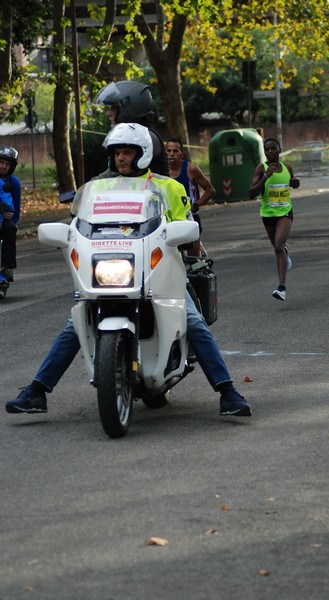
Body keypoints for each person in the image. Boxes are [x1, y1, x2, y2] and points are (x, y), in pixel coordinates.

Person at [5, 123, 251, 418]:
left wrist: (187, 238)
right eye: (117, 153)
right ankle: (37, 392)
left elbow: (187, 229)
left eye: (127, 152)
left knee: (193, 322)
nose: (121, 158)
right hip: (114, 268)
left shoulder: (167, 187)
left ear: (143, 154)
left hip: (161, 272)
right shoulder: (98, 187)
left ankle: (228, 392)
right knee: (75, 324)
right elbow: (79, 227)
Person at [249, 137, 300, 302]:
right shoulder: (260, 169)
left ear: (279, 150)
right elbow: (251, 193)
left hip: (285, 212)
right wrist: (265, 176)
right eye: (267, 150)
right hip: (268, 214)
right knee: (277, 248)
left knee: (278, 246)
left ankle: (282, 288)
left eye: (273, 149)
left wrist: (294, 183)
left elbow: (291, 182)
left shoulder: (287, 168)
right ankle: (284, 252)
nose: (270, 152)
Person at [94, 80, 169, 176]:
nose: (108, 113)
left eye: (113, 108)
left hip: (154, 190)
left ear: (128, 109)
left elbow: (111, 175)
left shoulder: (146, 137)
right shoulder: (137, 134)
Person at [166, 138, 216, 257]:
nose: (171, 154)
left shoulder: (190, 169)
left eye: (175, 151)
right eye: (168, 151)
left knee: (193, 261)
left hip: (190, 219)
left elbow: (210, 190)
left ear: (181, 154)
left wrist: (196, 205)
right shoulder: (161, 171)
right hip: (168, 221)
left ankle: (200, 260)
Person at [0, 146, 21, 297]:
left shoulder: (13, 183)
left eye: (7, 164)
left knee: (10, 229)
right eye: (1, 162)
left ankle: (7, 267)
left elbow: (15, 208)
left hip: (5, 220)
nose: (3, 166)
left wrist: (10, 217)